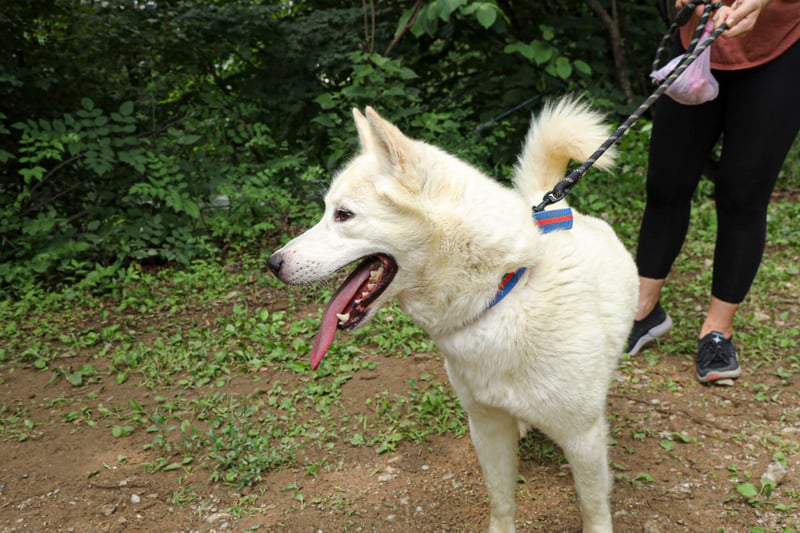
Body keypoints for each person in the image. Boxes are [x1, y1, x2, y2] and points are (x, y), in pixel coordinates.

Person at [626, 0, 800, 384]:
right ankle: (644, 310)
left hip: (782, 49)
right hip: (697, 41)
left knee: (742, 196)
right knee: (666, 183)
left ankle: (718, 330)